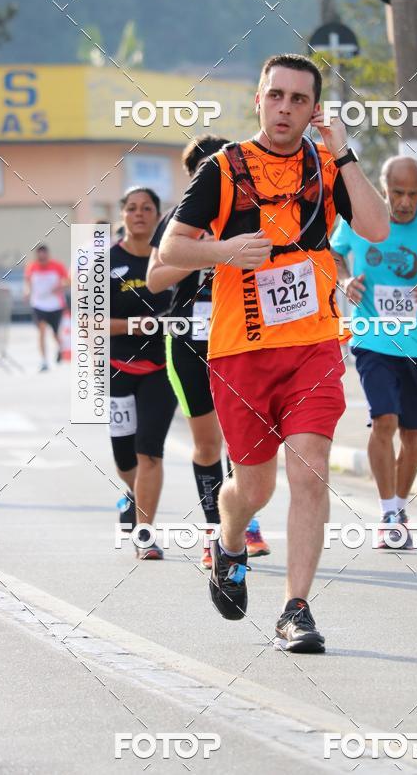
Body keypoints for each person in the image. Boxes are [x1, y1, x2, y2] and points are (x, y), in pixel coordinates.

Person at [159, 53, 389, 652]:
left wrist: (344, 154)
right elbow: (170, 254)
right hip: (241, 354)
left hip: (313, 345)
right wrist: (227, 251)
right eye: (276, 95)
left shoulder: (326, 164)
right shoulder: (223, 169)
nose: (286, 107)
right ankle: (228, 540)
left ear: (314, 110)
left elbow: (376, 227)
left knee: (310, 471)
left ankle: (296, 610)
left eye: (299, 99)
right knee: (252, 489)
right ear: (258, 100)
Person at [147, 135, 270, 569]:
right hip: (187, 339)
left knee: (242, 438)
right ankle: (212, 532)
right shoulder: (176, 221)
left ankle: (244, 524)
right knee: (206, 443)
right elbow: (155, 280)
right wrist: (209, 256)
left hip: (239, 336)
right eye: (206, 169)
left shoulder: (248, 215)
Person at [331, 155, 417, 549]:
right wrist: (345, 281)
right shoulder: (359, 220)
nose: (405, 202)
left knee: (412, 434)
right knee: (384, 420)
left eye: (413, 194)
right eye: (398, 192)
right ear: (384, 189)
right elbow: (332, 254)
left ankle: (400, 505)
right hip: (373, 339)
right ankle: (386, 512)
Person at [109, 186, 178, 560]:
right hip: (117, 368)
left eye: (147, 208)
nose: (139, 213)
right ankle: (133, 493)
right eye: (132, 208)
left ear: (157, 215)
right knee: (125, 460)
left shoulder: (168, 259)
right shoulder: (106, 262)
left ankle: (145, 532)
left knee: (149, 451)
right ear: (123, 215)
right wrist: (132, 326)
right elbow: (87, 324)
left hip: (162, 367)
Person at [23, 244, 69, 372]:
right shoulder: (32, 267)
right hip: (38, 304)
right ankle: (44, 361)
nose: (42, 258)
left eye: (44, 255)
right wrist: (27, 292)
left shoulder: (57, 266)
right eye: (39, 256)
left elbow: (67, 281)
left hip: (55, 305)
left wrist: (59, 287)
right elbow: (28, 282)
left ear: (48, 255)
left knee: (55, 333)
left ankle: (60, 348)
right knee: (41, 330)